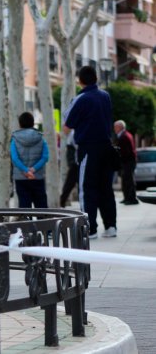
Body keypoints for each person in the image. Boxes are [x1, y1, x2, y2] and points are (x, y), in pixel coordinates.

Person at [64, 65, 117, 239]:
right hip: (106, 147)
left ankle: (90, 228)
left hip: (88, 148)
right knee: (106, 188)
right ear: (96, 78)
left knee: (87, 189)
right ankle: (111, 226)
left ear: (80, 80)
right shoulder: (106, 96)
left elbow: (67, 125)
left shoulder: (81, 99)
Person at [10, 112, 49, 208]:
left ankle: (27, 222)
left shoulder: (14, 139)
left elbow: (15, 158)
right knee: (41, 208)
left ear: (20, 124)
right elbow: (45, 157)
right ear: (33, 123)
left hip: (21, 178)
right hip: (37, 177)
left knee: (24, 208)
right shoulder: (41, 138)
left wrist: (26, 170)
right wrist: (33, 170)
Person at [114, 120, 138, 205]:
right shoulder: (124, 135)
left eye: (115, 127)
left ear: (120, 127)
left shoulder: (124, 136)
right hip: (127, 161)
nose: (114, 129)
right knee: (125, 180)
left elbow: (126, 151)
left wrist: (119, 157)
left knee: (129, 180)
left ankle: (131, 198)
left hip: (128, 161)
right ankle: (127, 197)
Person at [59, 130, 79, 207]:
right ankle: (62, 201)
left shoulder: (73, 133)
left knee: (70, 184)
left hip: (76, 164)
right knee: (69, 184)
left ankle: (62, 201)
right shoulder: (72, 134)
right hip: (75, 164)